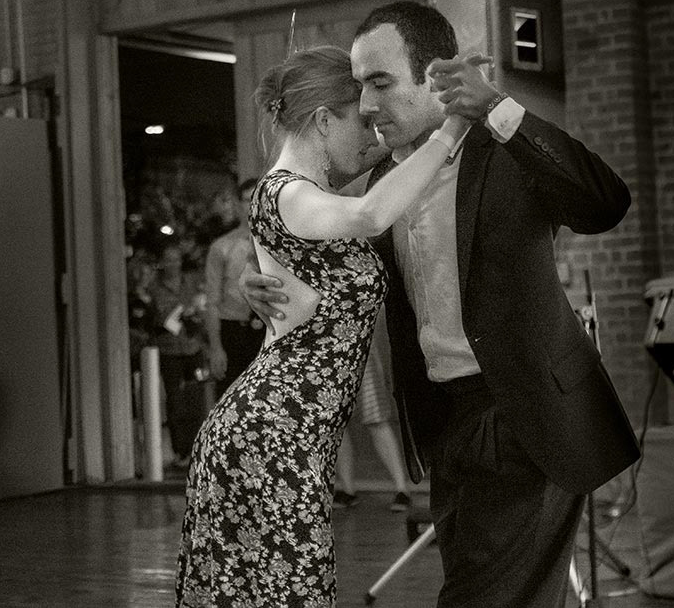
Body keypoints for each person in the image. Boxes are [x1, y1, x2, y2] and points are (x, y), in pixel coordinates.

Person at [242, 1, 641, 608]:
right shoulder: (379, 184)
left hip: (523, 413)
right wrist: (265, 280)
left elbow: (606, 203)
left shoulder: (505, 149)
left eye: (380, 83)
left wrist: (498, 110)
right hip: (445, 425)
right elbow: (320, 242)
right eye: (358, 88)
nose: (368, 106)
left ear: (435, 77)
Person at [174, 45, 470, 608]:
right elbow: (371, 215)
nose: (374, 134)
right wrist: (454, 125)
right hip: (273, 433)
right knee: (290, 594)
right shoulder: (285, 192)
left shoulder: (311, 197)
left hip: (289, 432)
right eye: (362, 119)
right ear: (325, 118)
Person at [332, 308, 412, 512]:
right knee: (336, 422)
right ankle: (348, 489)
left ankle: (402, 488)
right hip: (325, 342)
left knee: (374, 414)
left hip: (357, 336)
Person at [203, 178, 265, 398]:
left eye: (257, 200)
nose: (253, 206)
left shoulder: (278, 244)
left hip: (268, 327)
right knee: (232, 398)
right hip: (234, 329)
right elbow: (211, 301)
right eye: (248, 201)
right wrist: (215, 346)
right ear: (238, 204)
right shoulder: (222, 247)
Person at [150, 244, 207, 469]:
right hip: (169, 350)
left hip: (193, 348)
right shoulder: (155, 288)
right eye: (169, 259)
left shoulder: (191, 284)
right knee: (175, 402)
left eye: (176, 259)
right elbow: (157, 319)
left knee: (198, 397)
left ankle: (199, 447)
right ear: (163, 262)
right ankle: (180, 451)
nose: (173, 264)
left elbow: (200, 308)